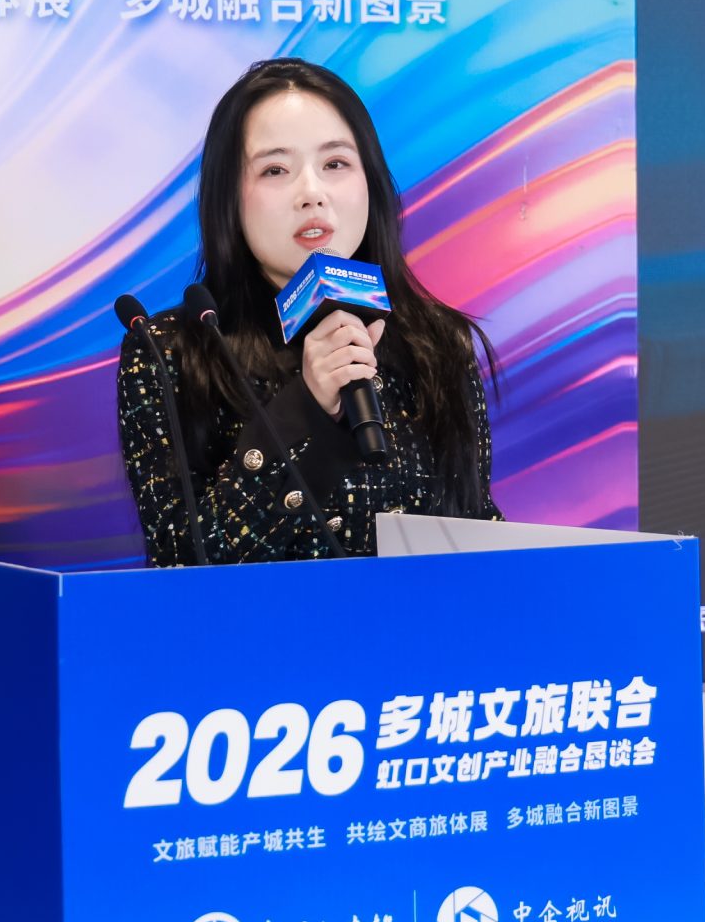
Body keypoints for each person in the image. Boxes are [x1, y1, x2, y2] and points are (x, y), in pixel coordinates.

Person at [118, 58, 500, 565]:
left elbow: (472, 529)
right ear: (229, 197)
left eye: (335, 164)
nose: (312, 194)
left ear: (370, 181)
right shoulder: (172, 352)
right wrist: (303, 410)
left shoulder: (439, 343)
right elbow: (180, 563)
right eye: (275, 170)